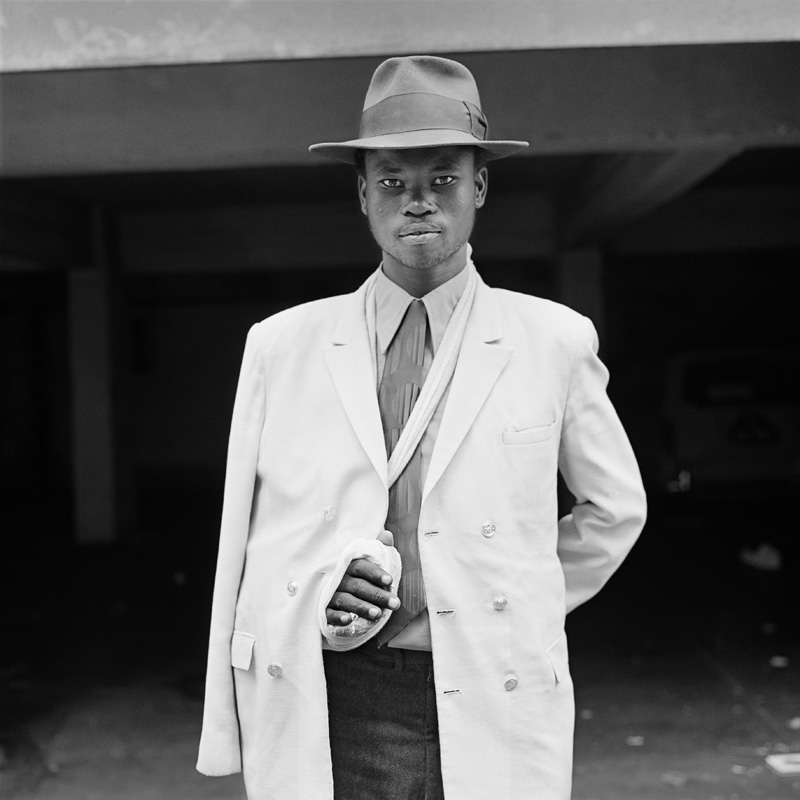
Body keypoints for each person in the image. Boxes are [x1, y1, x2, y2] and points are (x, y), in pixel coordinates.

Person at [197, 55, 646, 800]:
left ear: (480, 187)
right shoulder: (281, 346)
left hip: (494, 677)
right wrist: (315, 593)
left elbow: (614, 510)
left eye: (442, 179)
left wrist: (506, 595)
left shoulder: (552, 340)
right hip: (338, 689)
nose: (419, 203)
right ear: (363, 194)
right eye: (395, 183)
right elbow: (247, 543)